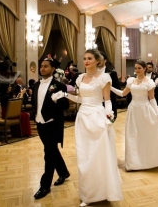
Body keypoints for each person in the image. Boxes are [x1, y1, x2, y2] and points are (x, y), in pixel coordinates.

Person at [53, 49, 123, 207]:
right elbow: (80, 99)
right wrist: (64, 95)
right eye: (84, 58)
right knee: (85, 156)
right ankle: (88, 194)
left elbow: (107, 100)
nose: (86, 61)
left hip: (98, 118)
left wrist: (108, 117)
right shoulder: (79, 78)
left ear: (98, 61)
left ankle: (104, 191)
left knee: (99, 156)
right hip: (83, 118)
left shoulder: (104, 78)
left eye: (89, 58)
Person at [111, 60, 158, 170]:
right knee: (133, 135)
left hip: (145, 110)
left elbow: (152, 99)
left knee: (145, 135)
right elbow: (123, 93)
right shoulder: (131, 81)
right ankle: (133, 163)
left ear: (144, 69)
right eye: (136, 68)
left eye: (139, 68)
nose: (137, 70)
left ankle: (148, 160)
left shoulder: (149, 82)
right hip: (133, 110)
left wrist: (156, 113)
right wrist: (110, 88)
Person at [31, 58, 70, 200]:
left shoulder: (59, 85)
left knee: (48, 154)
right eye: (41, 66)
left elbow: (65, 106)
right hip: (40, 123)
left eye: (45, 66)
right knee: (52, 150)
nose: (42, 69)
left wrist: (57, 99)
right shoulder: (36, 85)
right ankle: (63, 172)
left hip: (52, 124)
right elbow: (35, 103)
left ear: (53, 68)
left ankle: (45, 185)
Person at [99, 51, 121, 120]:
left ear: (105, 60)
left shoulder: (112, 73)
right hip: (96, 105)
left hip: (109, 103)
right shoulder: (92, 73)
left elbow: (118, 88)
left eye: (100, 59)